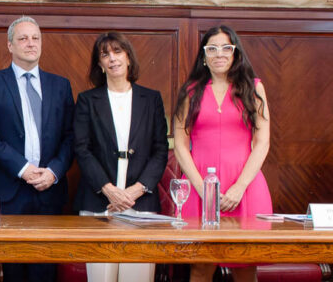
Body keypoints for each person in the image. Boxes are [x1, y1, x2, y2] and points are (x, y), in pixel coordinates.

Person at [0, 16, 73, 282]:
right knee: (13, 270)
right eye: (23, 38)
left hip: (48, 190)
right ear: (10, 45)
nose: (30, 44)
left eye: (35, 38)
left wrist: (54, 171)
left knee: (44, 270)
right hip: (7, 190)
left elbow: (71, 136)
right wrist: (23, 168)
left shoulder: (60, 85)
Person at [173, 25, 272, 282]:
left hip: (245, 185)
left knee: (245, 264)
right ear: (204, 56)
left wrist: (239, 187)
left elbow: (262, 142)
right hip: (198, 188)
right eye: (212, 48)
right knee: (201, 266)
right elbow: (181, 145)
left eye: (226, 48)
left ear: (235, 53)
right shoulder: (190, 91)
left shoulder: (254, 88)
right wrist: (203, 190)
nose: (219, 54)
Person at [73, 31, 168, 282]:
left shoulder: (151, 99)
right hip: (99, 204)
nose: (112, 58)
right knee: (102, 276)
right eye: (105, 55)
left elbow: (160, 150)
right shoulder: (87, 100)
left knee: (136, 276)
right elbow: (82, 149)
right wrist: (110, 190)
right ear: (100, 65)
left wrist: (136, 190)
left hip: (142, 203)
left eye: (117, 51)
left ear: (128, 57)